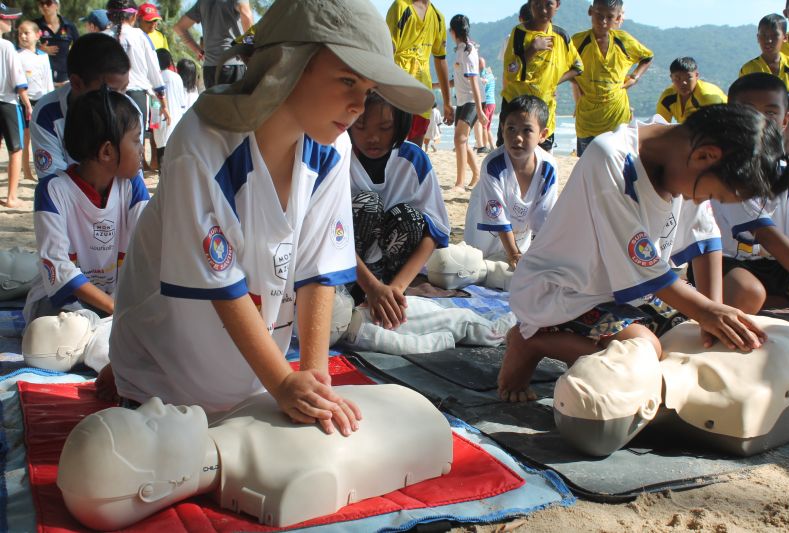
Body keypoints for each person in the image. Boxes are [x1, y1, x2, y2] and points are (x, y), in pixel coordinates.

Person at [107, 0, 434, 437]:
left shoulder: (331, 148)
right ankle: (119, 378)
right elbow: (219, 282)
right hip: (169, 373)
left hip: (253, 377)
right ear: (289, 65)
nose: (359, 105)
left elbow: (318, 270)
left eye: (368, 88)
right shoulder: (202, 145)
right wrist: (282, 382)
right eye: (347, 80)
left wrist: (314, 380)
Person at [496, 104, 789, 402]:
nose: (698, 199)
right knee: (644, 350)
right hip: (561, 292)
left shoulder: (691, 162)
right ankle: (532, 341)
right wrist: (706, 312)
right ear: (707, 156)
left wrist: (711, 314)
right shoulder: (611, 157)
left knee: (687, 338)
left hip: (627, 291)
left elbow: (705, 239)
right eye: (711, 195)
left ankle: (582, 348)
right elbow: (643, 267)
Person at [57, 387, 453, 530]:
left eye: (139, 410)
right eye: (148, 426)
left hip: (409, 407)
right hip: (425, 426)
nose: (155, 404)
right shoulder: (286, 482)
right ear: (154, 489)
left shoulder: (232, 415)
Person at [23, 88, 149, 324]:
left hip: (118, 298)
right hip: (65, 302)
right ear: (107, 151)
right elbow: (59, 268)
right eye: (136, 140)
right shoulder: (54, 191)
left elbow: (151, 243)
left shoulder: (132, 187)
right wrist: (114, 307)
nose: (142, 149)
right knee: (60, 329)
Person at [348, 93, 449, 329]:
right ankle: (356, 292)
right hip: (349, 271)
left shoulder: (414, 159)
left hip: (394, 277)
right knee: (367, 204)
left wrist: (395, 288)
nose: (372, 138)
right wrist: (371, 287)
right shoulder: (338, 156)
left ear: (400, 124)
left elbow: (434, 231)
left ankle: (393, 296)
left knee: (410, 218)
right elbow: (329, 235)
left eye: (385, 127)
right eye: (361, 126)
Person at [710, 74, 789, 315]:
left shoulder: (787, 169)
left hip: (778, 264)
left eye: (771, 112)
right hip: (728, 262)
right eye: (747, 110)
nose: (759, 119)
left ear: (785, 120)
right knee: (748, 292)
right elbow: (766, 235)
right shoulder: (727, 170)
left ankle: (775, 310)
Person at [464, 95, 556, 267]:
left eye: (527, 130)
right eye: (511, 129)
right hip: (485, 238)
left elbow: (544, 218)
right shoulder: (493, 165)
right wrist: (514, 254)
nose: (518, 137)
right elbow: (497, 218)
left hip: (520, 240)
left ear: (542, 135)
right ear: (502, 128)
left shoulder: (548, 167)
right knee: (482, 271)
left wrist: (538, 255)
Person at [30, 33, 134, 180]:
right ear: (77, 83)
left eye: (124, 89)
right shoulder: (47, 114)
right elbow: (53, 186)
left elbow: (131, 177)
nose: (120, 99)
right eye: (110, 92)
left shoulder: (130, 111)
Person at [571, 0, 653, 156]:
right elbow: (566, 67)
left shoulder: (623, 40)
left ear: (617, 18)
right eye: (599, 15)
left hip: (617, 117)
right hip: (587, 119)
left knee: (618, 168)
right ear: (590, 11)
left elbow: (647, 57)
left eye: (609, 17)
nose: (603, 21)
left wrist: (634, 77)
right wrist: (577, 83)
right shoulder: (577, 41)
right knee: (588, 168)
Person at [500, 0, 583, 150]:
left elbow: (578, 66)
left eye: (548, 4)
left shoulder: (561, 36)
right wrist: (532, 49)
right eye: (537, 4)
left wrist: (554, 81)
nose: (543, 10)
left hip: (544, 110)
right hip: (516, 108)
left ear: (557, 5)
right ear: (530, 5)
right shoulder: (519, 33)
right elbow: (510, 70)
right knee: (509, 158)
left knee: (542, 161)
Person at [106, 0, 170, 172]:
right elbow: (154, 71)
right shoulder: (141, 36)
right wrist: (162, 100)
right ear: (134, 15)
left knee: (110, 141)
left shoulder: (103, 36)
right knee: (135, 143)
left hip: (107, 96)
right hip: (136, 97)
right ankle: (134, 184)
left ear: (110, 15)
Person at [386, 0, 454, 146]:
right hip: (398, 89)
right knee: (392, 148)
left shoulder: (438, 17)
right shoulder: (401, 6)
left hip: (422, 93)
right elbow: (387, 50)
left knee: (414, 150)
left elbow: (441, 59)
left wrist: (447, 102)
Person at [174, 0, 254, 89]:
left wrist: (198, 50)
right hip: (233, 63)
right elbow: (246, 15)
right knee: (236, 102)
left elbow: (179, 27)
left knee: (214, 103)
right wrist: (250, 49)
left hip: (209, 69)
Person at [449, 15, 488, 191]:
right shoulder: (459, 50)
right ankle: (477, 175)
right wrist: (432, 84)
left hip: (473, 101)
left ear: (453, 31)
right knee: (461, 141)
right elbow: (455, 82)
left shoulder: (469, 51)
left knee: (459, 139)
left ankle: (459, 183)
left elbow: (474, 82)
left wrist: (480, 111)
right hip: (463, 101)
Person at [0, 5, 33, 208]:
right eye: (7, 19)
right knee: (16, 149)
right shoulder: (6, 47)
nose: (11, 23)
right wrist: (27, 103)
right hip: (7, 103)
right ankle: (11, 196)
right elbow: (18, 80)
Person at [17, 20, 54, 183]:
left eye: (26, 33)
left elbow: (48, 79)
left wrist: (50, 98)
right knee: (26, 136)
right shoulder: (17, 56)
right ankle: (26, 170)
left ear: (37, 35)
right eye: (20, 33)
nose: (23, 36)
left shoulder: (43, 57)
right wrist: (26, 104)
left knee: (43, 135)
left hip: (42, 98)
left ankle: (43, 166)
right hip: (25, 100)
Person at [740, 13, 789, 92]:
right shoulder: (748, 70)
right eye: (764, 35)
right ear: (758, 37)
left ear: (785, 37)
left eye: (774, 35)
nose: (768, 40)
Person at [656, 57, 727, 124]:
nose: (684, 82)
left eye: (688, 78)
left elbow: (717, 129)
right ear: (671, 78)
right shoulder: (667, 98)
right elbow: (658, 127)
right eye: (678, 78)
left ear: (696, 76)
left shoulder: (706, 96)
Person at [153, 49, 187, 166]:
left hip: (161, 119)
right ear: (169, 62)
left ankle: (162, 179)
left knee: (161, 151)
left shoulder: (155, 78)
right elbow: (183, 102)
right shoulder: (177, 77)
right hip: (176, 118)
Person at [34, 0, 79, 87]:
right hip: (42, 75)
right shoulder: (35, 25)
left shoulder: (69, 26)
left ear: (57, 5)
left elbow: (79, 48)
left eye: (48, 3)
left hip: (65, 76)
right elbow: (23, 46)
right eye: (41, 3)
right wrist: (39, 48)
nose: (45, 6)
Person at [478, 57, 496, 152]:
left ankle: (484, 147)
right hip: (492, 102)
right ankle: (492, 147)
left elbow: (483, 84)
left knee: (484, 126)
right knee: (487, 127)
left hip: (487, 102)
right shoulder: (490, 73)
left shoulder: (483, 74)